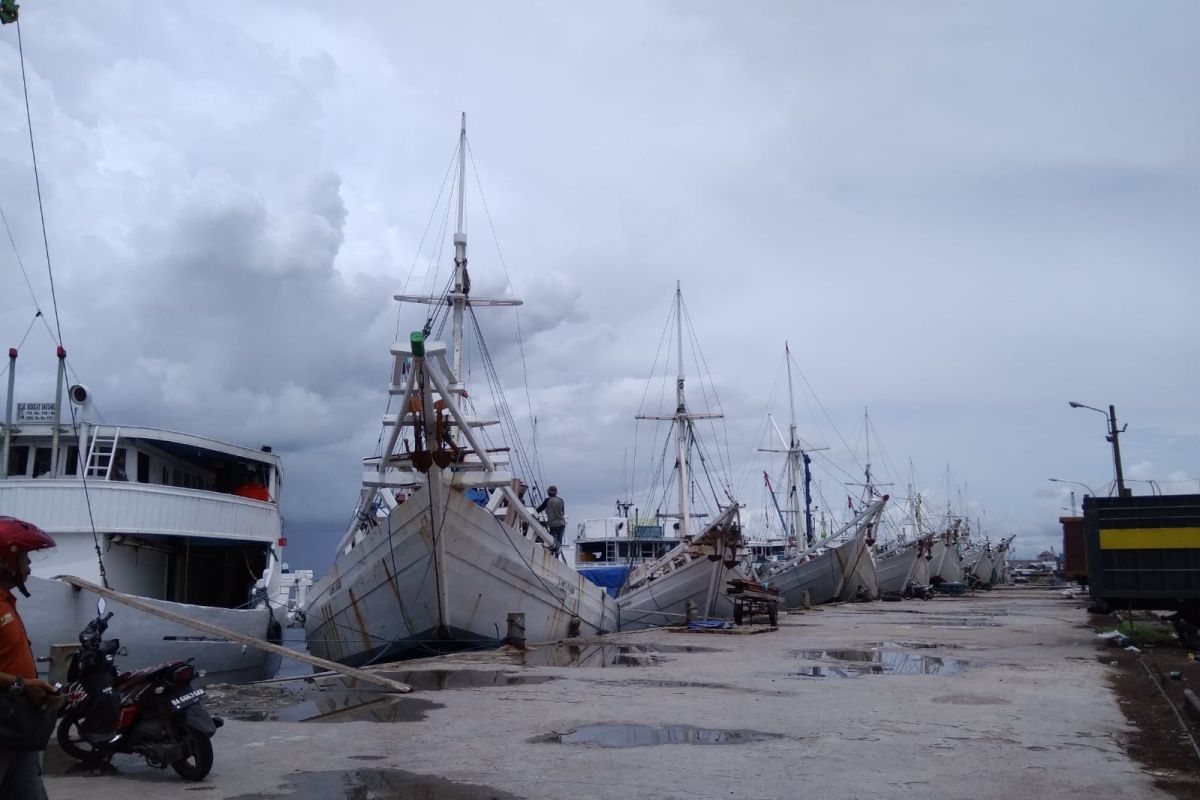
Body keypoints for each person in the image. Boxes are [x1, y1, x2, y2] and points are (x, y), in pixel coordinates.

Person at [0, 516, 62, 800]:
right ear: (4, 562)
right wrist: (23, 686)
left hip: (16, 729)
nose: (29, 565)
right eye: (24, 557)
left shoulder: (6, 602)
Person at [536, 485, 567, 557]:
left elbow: (539, 510)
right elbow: (562, 512)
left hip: (553, 525)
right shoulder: (561, 500)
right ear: (556, 493)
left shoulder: (547, 501)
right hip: (561, 524)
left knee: (551, 541)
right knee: (559, 542)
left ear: (549, 493)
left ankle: (551, 555)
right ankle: (557, 556)